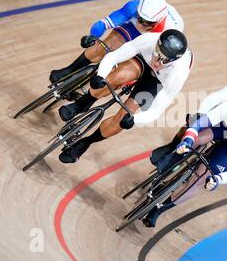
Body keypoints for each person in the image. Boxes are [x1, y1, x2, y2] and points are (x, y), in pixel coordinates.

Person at [58, 29, 193, 164]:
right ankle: (83, 103)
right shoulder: (149, 40)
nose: (157, 63)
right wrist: (101, 75)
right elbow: (114, 57)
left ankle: (85, 142)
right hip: (142, 60)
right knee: (119, 76)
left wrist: (134, 119)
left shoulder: (177, 75)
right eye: (157, 55)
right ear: (156, 45)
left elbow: (156, 111)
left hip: (157, 80)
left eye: (164, 61)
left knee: (124, 117)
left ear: (173, 61)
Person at [142, 97, 227, 228]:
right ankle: (172, 160)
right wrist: (188, 140)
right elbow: (198, 124)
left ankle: (159, 209)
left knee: (200, 178)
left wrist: (218, 179)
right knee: (196, 138)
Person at [49, 0, 183, 83]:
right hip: (134, 29)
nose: (142, 24)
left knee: (125, 72)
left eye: (147, 22)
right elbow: (103, 24)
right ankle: (70, 70)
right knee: (109, 43)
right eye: (140, 18)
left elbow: (157, 60)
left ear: (157, 22)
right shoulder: (133, 7)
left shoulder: (168, 32)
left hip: (154, 40)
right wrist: (93, 37)